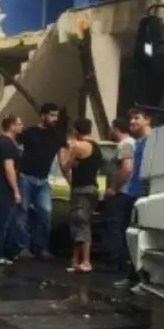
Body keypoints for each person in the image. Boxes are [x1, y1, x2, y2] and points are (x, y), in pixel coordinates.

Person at [15, 102, 63, 260]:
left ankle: (40, 247)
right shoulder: (30, 132)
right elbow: (15, 147)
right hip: (25, 177)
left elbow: (63, 159)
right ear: (43, 116)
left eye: (56, 115)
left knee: (45, 213)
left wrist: (70, 177)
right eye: (51, 115)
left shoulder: (58, 135)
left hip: (43, 180)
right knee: (22, 213)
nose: (55, 118)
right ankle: (21, 247)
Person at [116, 107, 154, 291]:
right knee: (129, 236)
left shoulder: (153, 141)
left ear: (148, 120)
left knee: (141, 238)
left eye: (136, 118)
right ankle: (132, 277)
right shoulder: (138, 143)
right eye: (130, 119)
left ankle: (143, 279)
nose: (132, 122)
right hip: (132, 193)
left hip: (144, 194)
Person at [60, 117, 103, 273]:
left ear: (76, 131)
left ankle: (85, 261)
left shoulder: (78, 146)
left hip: (82, 189)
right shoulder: (96, 147)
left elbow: (66, 167)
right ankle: (75, 260)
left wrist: (64, 151)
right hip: (92, 188)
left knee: (81, 223)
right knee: (80, 223)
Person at [0, 115, 24, 270]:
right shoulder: (7, 144)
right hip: (3, 187)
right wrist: (16, 190)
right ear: (11, 126)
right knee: (3, 222)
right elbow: (9, 169)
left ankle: (3, 252)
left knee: (4, 221)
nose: (22, 126)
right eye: (19, 123)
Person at [103, 117, 135, 274]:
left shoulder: (125, 145)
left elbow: (127, 168)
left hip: (122, 192)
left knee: (115, 226)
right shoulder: (133, 143)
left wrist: (114, 188)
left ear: (116, 129)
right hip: (127, 191)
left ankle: (116, 261)